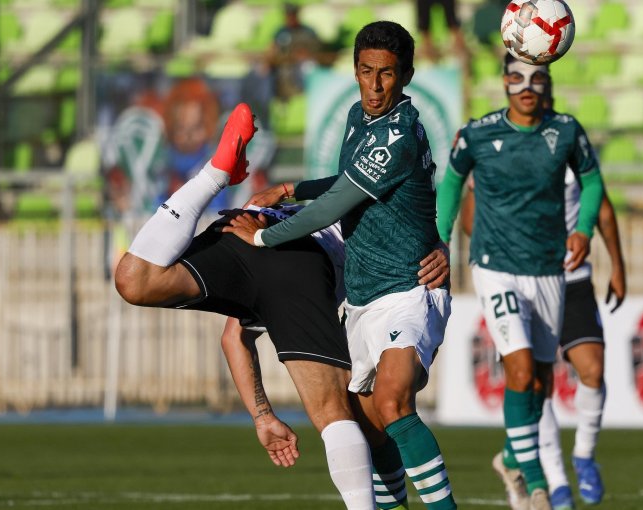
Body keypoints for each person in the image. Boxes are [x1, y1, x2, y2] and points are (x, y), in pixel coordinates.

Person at [113, 103, 447, 509]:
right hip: (296, 253)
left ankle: (214, 175)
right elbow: (383, 208)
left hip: (241, 226)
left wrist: (261, 416)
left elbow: (234, 338)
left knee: (136, 280)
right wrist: (437, 244)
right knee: (338, 415)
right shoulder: (371, 203)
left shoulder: (359, 182)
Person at [222, 21, 457, 510]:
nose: (374, 85)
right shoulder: (358, 117)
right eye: (366, 71)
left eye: (387, 74)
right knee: (371, 430)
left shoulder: (398, 134)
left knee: (394, 401)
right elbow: (344, 181)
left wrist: (264, 235)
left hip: (408, 286)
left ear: (406, 75)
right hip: (363, 296)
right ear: (354, 70)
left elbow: (332, 207)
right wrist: (291, 188)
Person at [435, 54, 605, 510]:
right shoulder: (477, 132)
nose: (526, 86)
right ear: (505, 83)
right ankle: (535, 486)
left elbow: (592, 183)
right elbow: (451, 183)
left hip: (549, 269)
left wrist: (584, 229)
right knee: (522, 368)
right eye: (516, 77)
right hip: (495, 266)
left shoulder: (566, 131)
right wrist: (440, 240)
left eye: (536, 78)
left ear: (547, 83)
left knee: (542, 385)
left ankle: (512, 456)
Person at [268, 3, 322, 99]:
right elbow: (272, 50)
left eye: (292, 15)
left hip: (303, 67)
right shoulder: (280, 32)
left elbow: (319, 50)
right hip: (284, 67)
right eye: (288, 15)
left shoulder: (308, 32)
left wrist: (305, 54)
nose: (290, 18)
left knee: (308, 67)